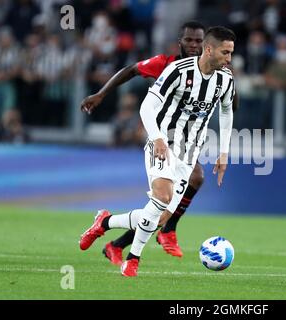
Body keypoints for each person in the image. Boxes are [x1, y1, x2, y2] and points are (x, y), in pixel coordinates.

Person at [79, 26, 236, 277]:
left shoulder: (225, 80)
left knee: (160, 217)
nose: (229, 59)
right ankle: (132, 260)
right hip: (162, 144)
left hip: (189, 153)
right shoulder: (175, 70)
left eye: (231, 53)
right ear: (210, 49)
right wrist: (158, 138)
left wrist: (224, 153)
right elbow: (147, 106)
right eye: (226, 53)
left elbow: (227, 111)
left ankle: (105, 222)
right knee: (162, 197)